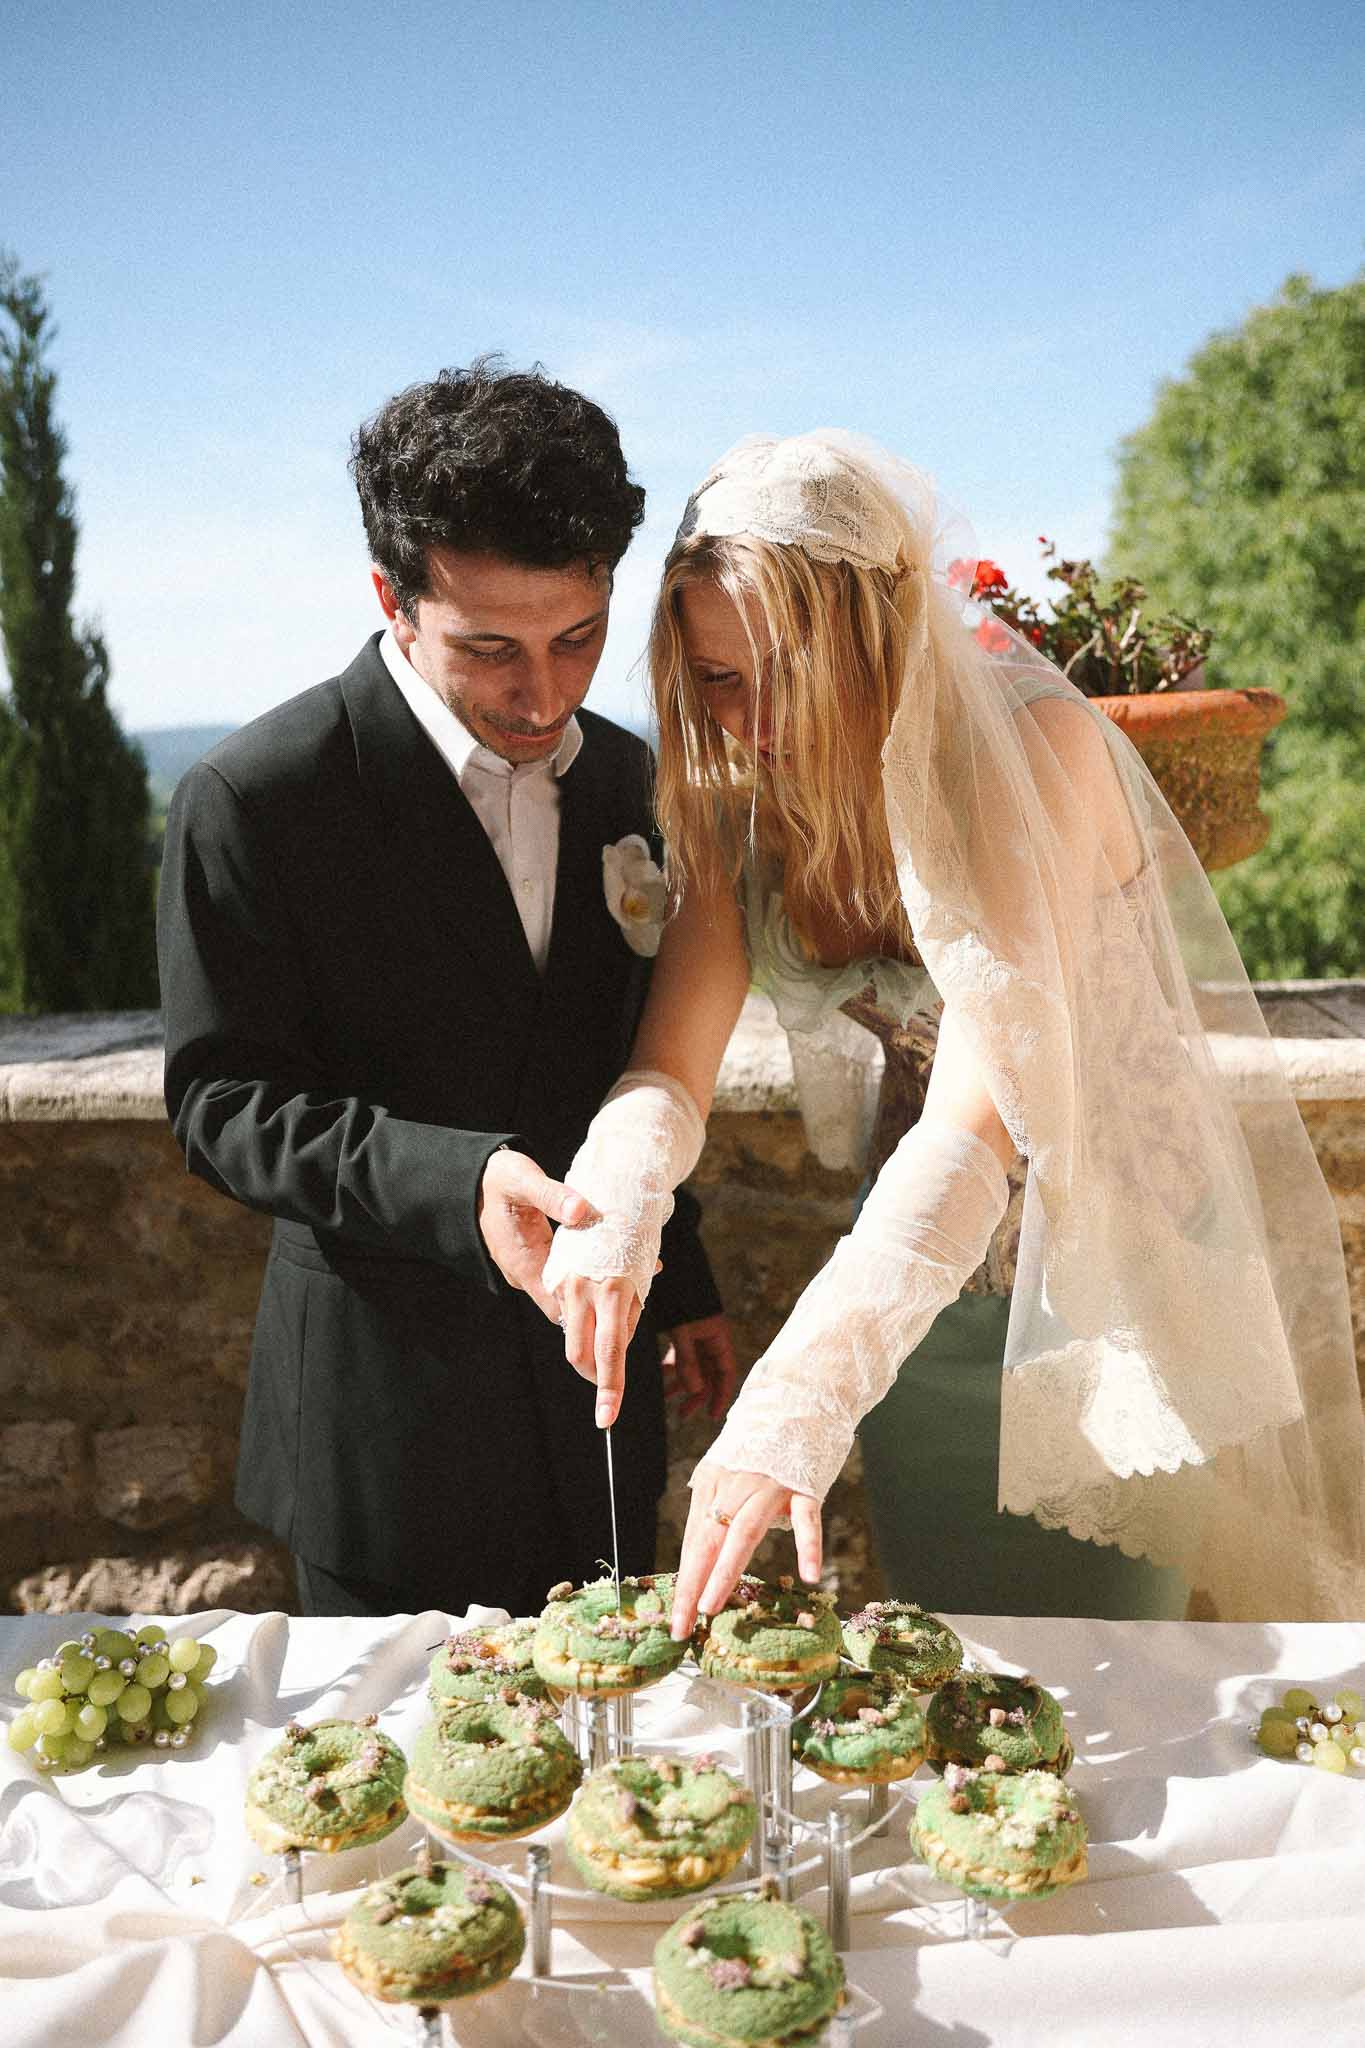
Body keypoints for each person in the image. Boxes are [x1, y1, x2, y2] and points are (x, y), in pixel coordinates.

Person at [542, 429, 1365, 1634]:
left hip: (1108, 1273)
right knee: (955, 1660)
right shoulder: (732, 789)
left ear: (876, 634)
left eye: (781, 670)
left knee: (1103, 1667)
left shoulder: (1036, 745)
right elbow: (672, 1061)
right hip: (916, 1291)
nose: (750, 717)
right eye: (715, 678)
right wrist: (616, 1196)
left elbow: (983, 1113)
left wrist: (806, 1387)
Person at [156, 360, 736, 1620]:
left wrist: (680, 1277)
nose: (543, 694)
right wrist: (454, 1177)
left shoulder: (634, 781)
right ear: (392, 598)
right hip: (382, 1433)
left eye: (578, 638)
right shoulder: (256, 799)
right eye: (491, 650)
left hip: (596, 1405)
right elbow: (219, 1101)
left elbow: (628, 1055)